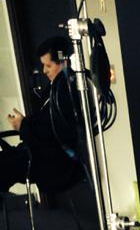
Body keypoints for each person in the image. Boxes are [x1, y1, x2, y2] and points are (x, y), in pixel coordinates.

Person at [0, 36, 80, 194]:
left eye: (48, 65)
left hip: (54, 160)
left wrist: (23, 125)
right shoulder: (54, 88)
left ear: (64, 62)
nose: (44, 71)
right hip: (39, 151)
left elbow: (53, 130)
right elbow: (45, 121)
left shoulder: (67, 92)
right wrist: (24, 124)